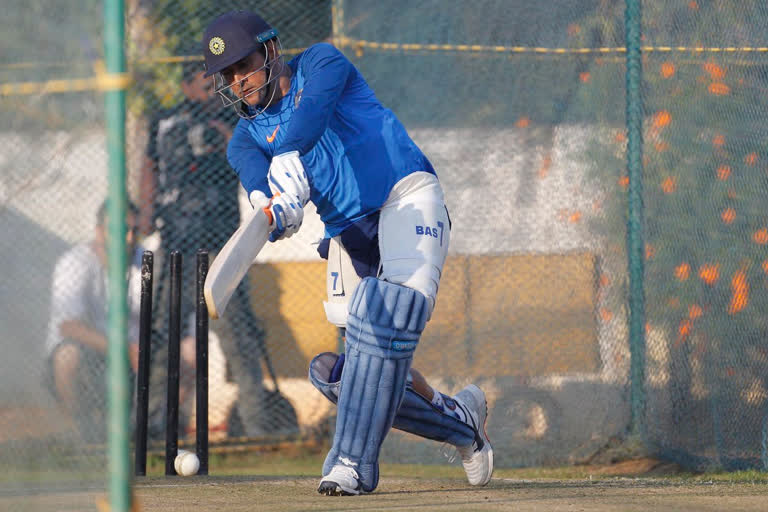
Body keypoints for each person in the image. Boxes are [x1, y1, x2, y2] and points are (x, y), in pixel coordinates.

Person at [200, 10, 493, 495]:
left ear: (270, 51)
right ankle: (464, 426)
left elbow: (312, 112)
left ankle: (352, 464)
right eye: (226, 75)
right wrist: (271, 205)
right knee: (340, 376)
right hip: (347, 236)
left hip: (404, 196)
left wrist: (290, 154)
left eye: (242, 64)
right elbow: (251, 170)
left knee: (386, 315)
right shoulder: (246, 136)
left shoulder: (321, 63)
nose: (238, 80)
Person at [138, 59, 277, 438]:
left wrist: (222, 135)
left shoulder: (236, 120)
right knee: (164, 330)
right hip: (176, 239)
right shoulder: (166, 121)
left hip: (221, 241)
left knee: (237, 333)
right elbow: (149, 166)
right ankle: (153, 423)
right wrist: (146, 214)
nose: (210, 89)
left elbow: (252, 157)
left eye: (214, 82)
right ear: (185, 87)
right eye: (201, 83)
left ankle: (256, 426)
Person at [44, 200, 141, 444]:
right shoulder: (74, 262)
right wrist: (124, 349)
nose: (128, 239)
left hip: (137, 356)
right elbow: (69, 326)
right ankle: (78, 435)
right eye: (119, 230)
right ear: (99, 231)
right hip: (93, 355)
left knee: (185, 353)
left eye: (133, 231)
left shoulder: (148, 261)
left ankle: (151, 429)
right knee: (68, 355)